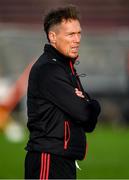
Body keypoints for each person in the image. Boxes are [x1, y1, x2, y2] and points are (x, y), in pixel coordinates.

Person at [24, 5, 101, 179]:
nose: (77, 39)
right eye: (70, 34)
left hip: (62, 158)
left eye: (79, 33)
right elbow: (84, 114)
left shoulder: (65, 67)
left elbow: (89, 125)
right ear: (53, 36)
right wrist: (94, 104)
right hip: (48, 159)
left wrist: (86, 104)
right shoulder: (49, 70)